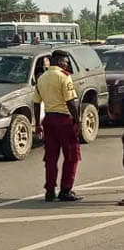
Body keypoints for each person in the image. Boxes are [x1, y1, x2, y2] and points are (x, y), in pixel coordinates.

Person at [33, 50, 82, 202]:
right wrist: (77, 120)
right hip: (64, 121)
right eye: (66, 62)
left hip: (49, 120)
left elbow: (36, 102)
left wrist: (37, 124)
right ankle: (66, 190)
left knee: (51, 158)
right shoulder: (64, 77)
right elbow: (70, 102)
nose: (66, 65)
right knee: (72, 156)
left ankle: (49, 191)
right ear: (60, 61)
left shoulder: (42, 78)